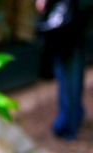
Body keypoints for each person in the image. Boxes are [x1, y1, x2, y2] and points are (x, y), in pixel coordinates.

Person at [35, 0, 88, 139]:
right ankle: (75, 114)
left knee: (68, 70)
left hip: (70, 19)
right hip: (78, 16)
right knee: (73, 66)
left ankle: (68, 125)